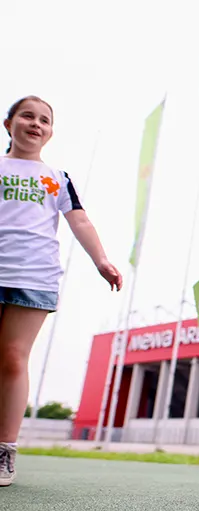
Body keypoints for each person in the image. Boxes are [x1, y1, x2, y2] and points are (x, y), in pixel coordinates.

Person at [0, 96, 123, 487]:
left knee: (13, 358)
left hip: (33, 275)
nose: (36, 124)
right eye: (27, 116)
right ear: (9, 124)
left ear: (50, 132)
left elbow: (80, 221)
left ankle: (4, 451)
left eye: (44, 120)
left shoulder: (56, 176)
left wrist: (101, 260)